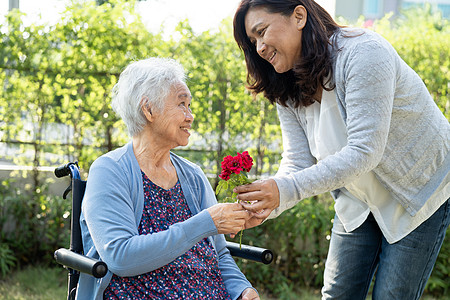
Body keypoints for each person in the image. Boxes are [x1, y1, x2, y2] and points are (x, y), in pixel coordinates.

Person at [232, 0, 450, 299]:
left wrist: (284, 190)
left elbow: (364, 151)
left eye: (262, 31)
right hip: (357, 200)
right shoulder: (285, 84)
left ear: (298, 16)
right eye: (252, 41)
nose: (258, 48)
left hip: (416, 192)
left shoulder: (363, 52)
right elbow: (298, 161)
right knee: (337, 294)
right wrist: (268, 203)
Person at [77, 57, 260, 300]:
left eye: (190, 106)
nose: (190, 116)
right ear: (148, 109)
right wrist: (205, 222)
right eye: (182, 104)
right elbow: (120, 257)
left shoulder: (193, 176)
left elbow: (219, 253)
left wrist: (243, 289)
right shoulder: (110, 170)